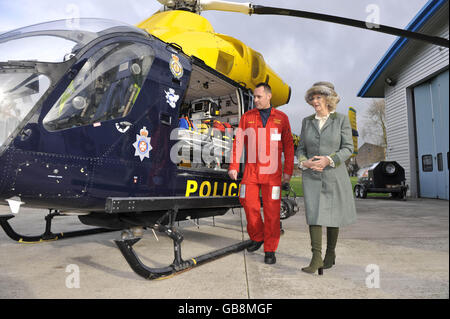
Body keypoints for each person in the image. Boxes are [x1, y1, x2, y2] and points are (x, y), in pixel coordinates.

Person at [228, 83, 294, 264]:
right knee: (248, 204)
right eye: (254, 97)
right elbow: (238, 142)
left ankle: (270, 249)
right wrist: (233, 165)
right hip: (251, 171)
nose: (255, 100)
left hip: (273, 174)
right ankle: (257, 236)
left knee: (272, 213)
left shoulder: (282, 118)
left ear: (269, 96)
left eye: (258, 97)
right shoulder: (247, 117)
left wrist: (288, 171)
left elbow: (289, 147)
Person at [297, 81, 357, 275]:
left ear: (328, 99)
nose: (315, 101)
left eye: (319, 97)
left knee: (332, 215)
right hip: (311, 175)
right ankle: (316, 258)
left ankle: (330, 254)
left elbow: (348, 148)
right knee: (314, 214)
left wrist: (329, 160)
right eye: (313, 98)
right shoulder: (307, 121)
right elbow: (301, 148)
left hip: (333, 173)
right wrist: (304, 162)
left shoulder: (340, 120)